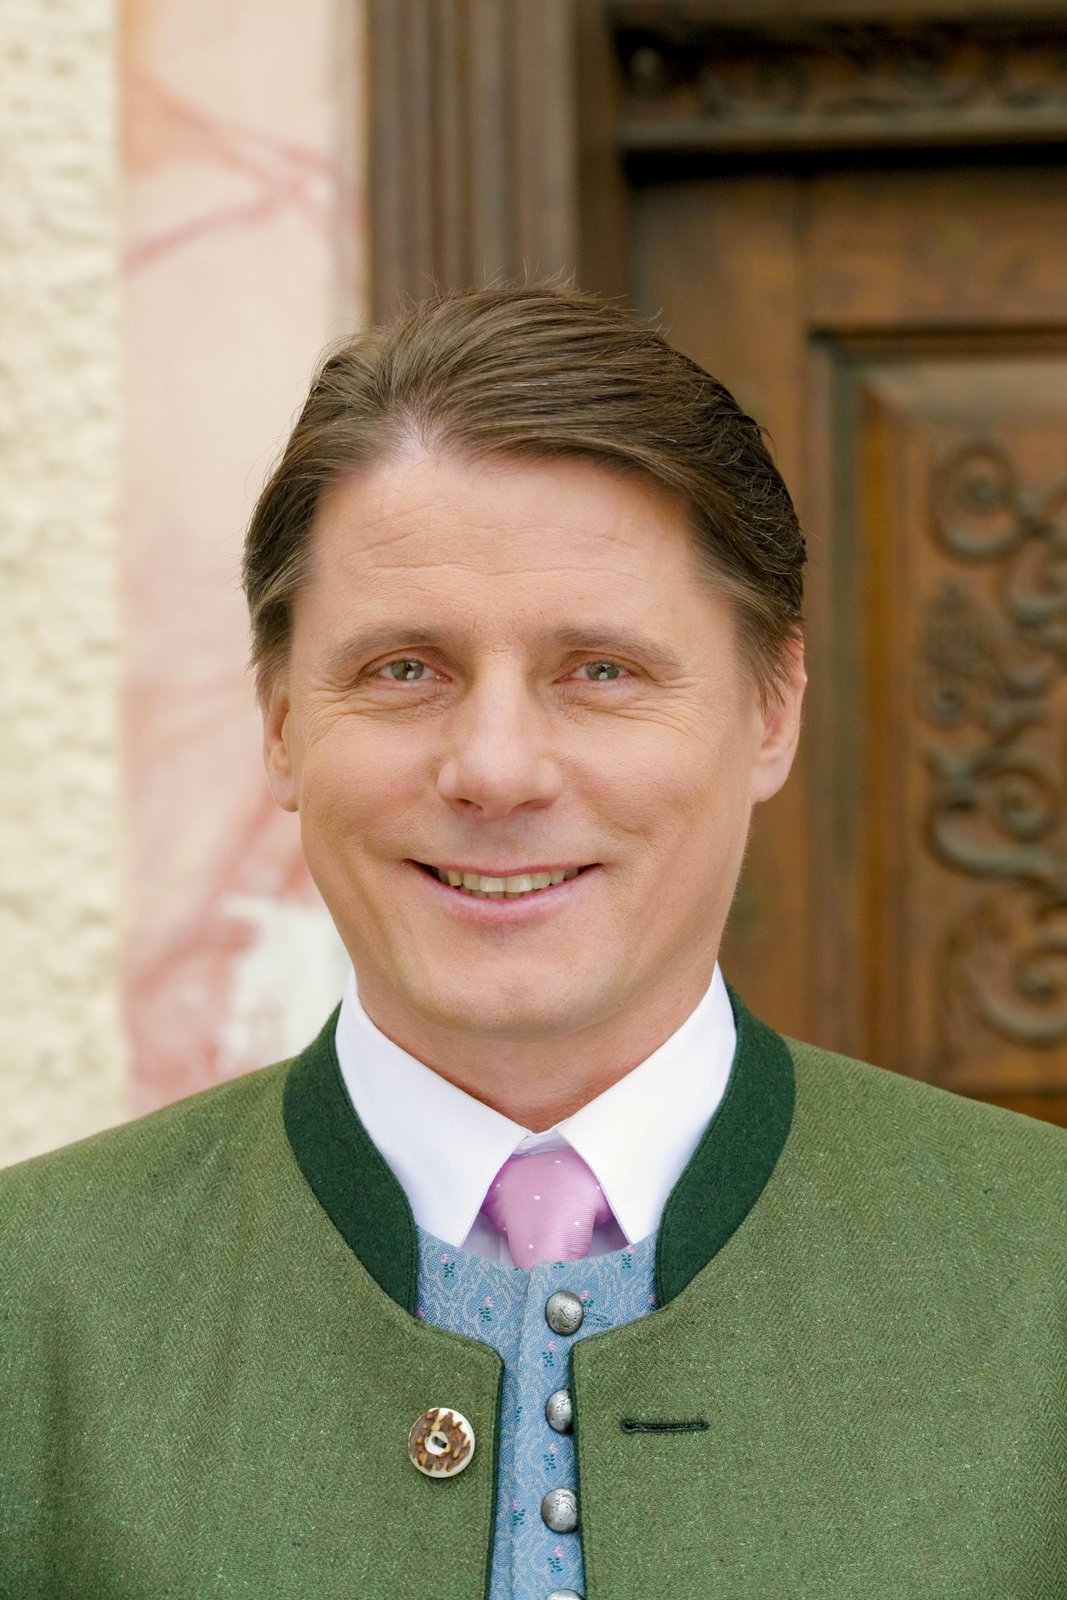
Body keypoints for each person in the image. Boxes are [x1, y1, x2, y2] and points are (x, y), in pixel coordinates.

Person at [1, 286, 1064, 1600]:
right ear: (280, 723)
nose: (495, 770)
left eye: (599, 670)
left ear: (773, 709)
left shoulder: (1046, 1272)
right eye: (405, 669)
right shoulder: (29, 1300)